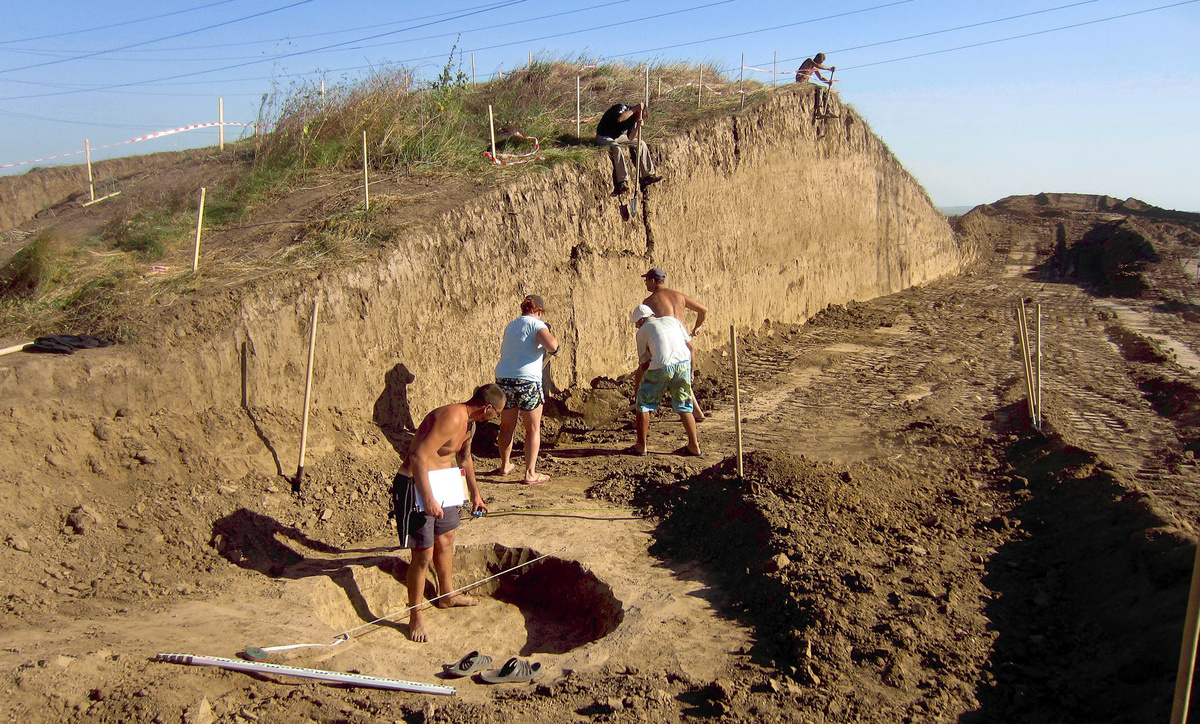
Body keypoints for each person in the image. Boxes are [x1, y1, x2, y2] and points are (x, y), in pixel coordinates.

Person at [392, 383, 503, 642]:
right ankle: (415, 614)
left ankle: (447, 595)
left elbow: (464, 459)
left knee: (447, 539)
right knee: (423, 554)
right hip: (416, 484)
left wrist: (475, 494)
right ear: (487, 408)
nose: (496, 418)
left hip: (444, 483)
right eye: (496, 413)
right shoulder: (453, 416)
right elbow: (418, 456)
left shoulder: (470, 425)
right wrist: (428, 498)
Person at [489, 294, 559, 485]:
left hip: (504, 379)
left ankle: (505, 466)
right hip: (527, 382)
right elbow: (552, 345)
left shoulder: (511, 325)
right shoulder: (537, 324)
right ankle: (530, 474)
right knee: (533, 429)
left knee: (506, 425)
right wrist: (554, 346)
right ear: (539, 311)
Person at [629, 304, 701, 457]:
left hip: (661, 367)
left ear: (641, 321)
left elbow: (645, 364)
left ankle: (641, 446)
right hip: (683, 365)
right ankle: (694, 446)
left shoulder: (642, 331)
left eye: (636, 323)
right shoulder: (672, 320)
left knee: (643, 404)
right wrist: (691, 371)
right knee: (684, 405)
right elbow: (690, 348)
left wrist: (638, 389)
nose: (636, 327)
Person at [641, 267, 707, 420]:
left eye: (646, 281)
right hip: (684, 342)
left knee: (653, 376)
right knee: (681, 378)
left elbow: (646, 323)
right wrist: (697, 327)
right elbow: (703, 310)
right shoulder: (679, 296)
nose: (645, 284)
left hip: (668, 341)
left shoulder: (649, 301)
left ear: (652, 281)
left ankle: (642, 413)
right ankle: (697, 413)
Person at [596, 102, 663, 197]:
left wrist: (638, 127)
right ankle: (622, 181)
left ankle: (648, 175)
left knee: (641, 143)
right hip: (604, 135)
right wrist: (635, 108)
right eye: (641, 117)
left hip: (617, 137)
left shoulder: (634, 120)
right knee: (617, 148)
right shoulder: (622, 108)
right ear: (637, 112)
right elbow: (620, 119)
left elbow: (631, 137)